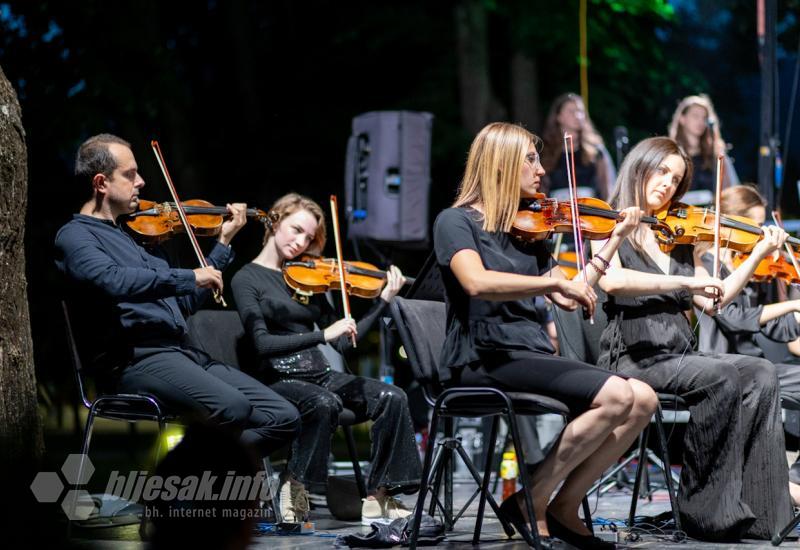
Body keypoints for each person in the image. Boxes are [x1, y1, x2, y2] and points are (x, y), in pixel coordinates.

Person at [433, 122, 658, 549]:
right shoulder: (455, 222)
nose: (541, 170)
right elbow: (476, 282)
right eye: (531, 159)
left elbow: (574, 296)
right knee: (616, 396)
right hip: (483, 356)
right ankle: (532, 501)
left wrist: (613, 240)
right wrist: (552, 285)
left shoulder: (530, 232)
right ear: (500, 164)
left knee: (642, 399)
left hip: (528, 354)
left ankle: (562, 505)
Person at [55, 134, 300, 459]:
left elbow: (182, 304)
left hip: (183, 354)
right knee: (232, 407)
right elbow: (112, 280)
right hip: (134, 360)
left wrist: (222, 247)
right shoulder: (76, 236)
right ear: (101, 182)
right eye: (130, 175)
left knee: (284, 417)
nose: (140, 182)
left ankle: (197, 479)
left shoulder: (137, 237)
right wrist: (189, 276)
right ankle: (181, 485)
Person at [595, 136, 792, 541]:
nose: (668, 184)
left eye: (677, 178)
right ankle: (704, 512)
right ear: (639, 167)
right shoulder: (610, 223)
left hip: (678, 358)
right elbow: (612, 280)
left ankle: (763, 513)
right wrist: (682, 279)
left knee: (760, 372)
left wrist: (756, 254)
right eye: (662, 171)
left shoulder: (679, 236)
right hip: (634, 357)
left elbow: (716, 301)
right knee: (720, 375)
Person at [230, 193, 421, 526]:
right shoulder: (246, 278)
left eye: (309, 237)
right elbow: (261, 344)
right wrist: (322, 335)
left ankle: (380, 495)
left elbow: (345, 342)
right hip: (275, 378)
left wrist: (383, 302)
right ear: (275, 221)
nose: (301, 241)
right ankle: (294, 484)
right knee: (323, 402)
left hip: (320, 373)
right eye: (295, 229)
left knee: (393, 397)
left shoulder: (309, 278)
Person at [695, 184, 800, 503]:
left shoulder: (756, 268)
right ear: (730, 222)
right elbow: (733, 316)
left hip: (761, 367)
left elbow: (782, 330)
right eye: (754, 226)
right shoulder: (709, 264)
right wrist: (792, 306)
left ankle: (794, 479)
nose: (759, 236)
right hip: (721, 364)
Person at [540, 93, 616, 200]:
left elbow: (608, 188)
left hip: (591, 212)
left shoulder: (596, 151)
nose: (577, 115)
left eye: (580, 111)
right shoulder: (546, 151)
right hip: (557, 213)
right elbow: (542, 191)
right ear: (559, 117)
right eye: (571, 111)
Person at [668, 94, 739, 195]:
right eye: (695, 116)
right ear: (682, 119)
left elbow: (729, 190)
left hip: (709, 210)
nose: (701, 122)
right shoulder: (670, 153)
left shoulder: (715, 153)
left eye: (704, 118)